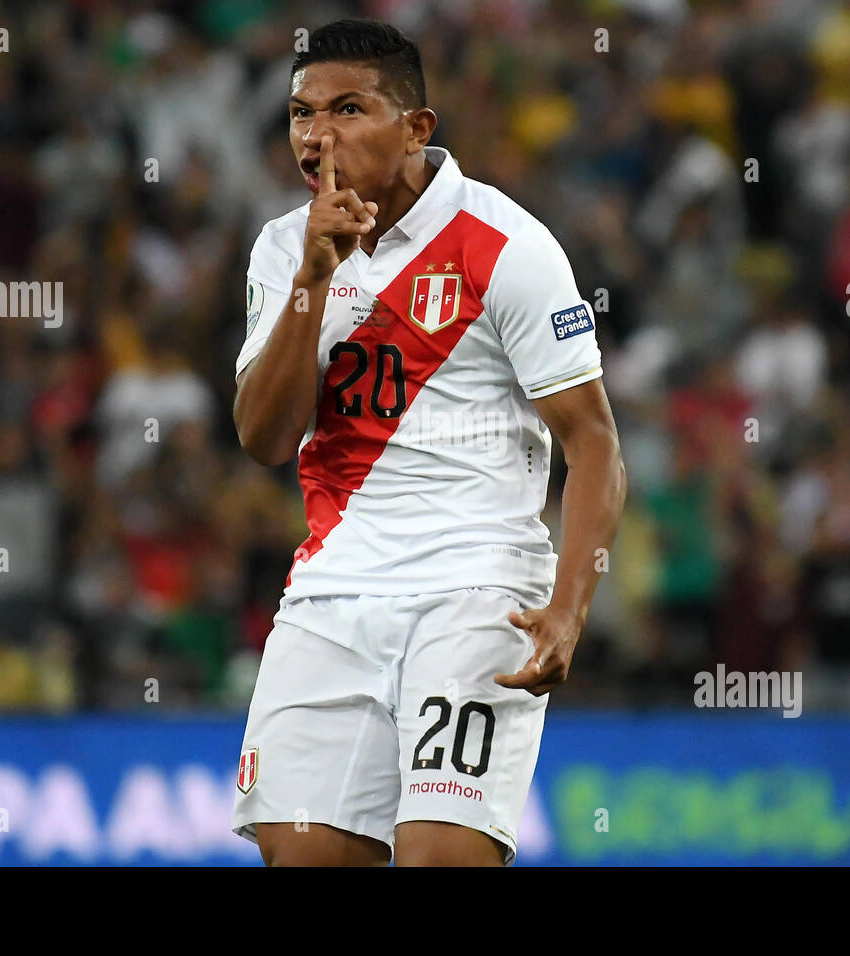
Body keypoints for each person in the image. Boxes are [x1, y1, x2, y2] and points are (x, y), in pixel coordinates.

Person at [231, 18, 626, 866]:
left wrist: (570, 607)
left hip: (476, 593)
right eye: (302, 114)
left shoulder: (508, 246)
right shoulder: (280, 250)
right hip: (332, 598)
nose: (317, 135)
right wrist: (313, 278)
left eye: (348, 109)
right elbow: (263, 438)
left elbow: (593, 445)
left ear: (417, 128)